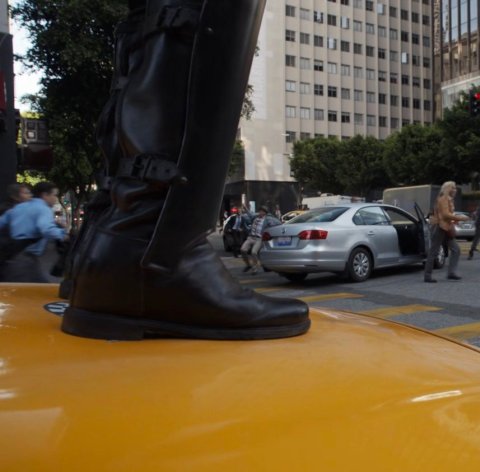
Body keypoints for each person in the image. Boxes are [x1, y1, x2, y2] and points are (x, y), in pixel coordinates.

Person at [59, 1, 310, 341]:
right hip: (153, 255)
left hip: (119, 250)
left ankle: (126, 255)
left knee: (156, 16)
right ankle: (158, 257)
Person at [0, 181, 68, 282]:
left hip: (16, 255)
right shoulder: (44, 209)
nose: (55, 199)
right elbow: (46, 229)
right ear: (45, 195)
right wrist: (64, 235)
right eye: (54, 195)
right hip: (25, 259)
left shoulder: (19, 207)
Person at [424, 181, 469, 283]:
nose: (455, 190)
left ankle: (451, 273)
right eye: (452, 188)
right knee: (434, 251)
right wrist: (461, 218)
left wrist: (455, 219)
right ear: (447, 189)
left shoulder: (448, 199)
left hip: (446, 227)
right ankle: (428, 275)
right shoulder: (444, 198)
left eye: (455, 188)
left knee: (456, 249)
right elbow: (445, 215)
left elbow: (447, 215)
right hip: (440, 227)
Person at [240, 206, 279, 273]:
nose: (260, 213)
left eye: (261, 211)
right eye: (259, 211)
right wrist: (246, 208)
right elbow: (250, 214)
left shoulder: (267, 219)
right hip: (250, 237)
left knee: (254, 252)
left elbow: (275, 223)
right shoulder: (255, 217)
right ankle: (248, 265)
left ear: (264, 213)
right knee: (243, 250)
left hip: (259, 239)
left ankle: (255, 268)